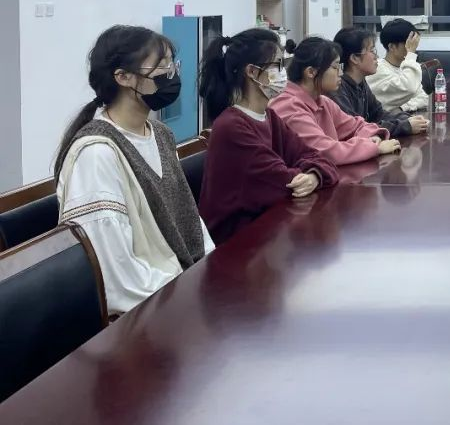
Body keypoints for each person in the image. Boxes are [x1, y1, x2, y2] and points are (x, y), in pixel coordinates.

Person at [54, 25, 214, 317]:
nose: (171, 74)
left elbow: (188, 218)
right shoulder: (97, 155)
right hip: (147, 311)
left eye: (172, 64)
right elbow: (117, 273)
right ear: (123, 77)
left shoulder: (160, 134)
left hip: (184, 286)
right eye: (161, 65)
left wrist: (212, 270)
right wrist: (188, 293)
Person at [197, 28, 341, 242]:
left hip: (268, 232)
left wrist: (314, 175)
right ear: (252, 72)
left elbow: (319, 158)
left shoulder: (269, 116)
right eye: (278, 65)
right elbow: (283, 182)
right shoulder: (232, 127)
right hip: (235, 244)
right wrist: (310, 173)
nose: (284, 73)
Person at [270, 36, 401, 165]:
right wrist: (374, 147)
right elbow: (325, 151)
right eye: (335, 67)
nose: (341, 73)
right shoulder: (288, 106)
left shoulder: (322, 101)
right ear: (311, 72)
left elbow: (357, 125)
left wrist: (374, 137)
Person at [331, 27, 430, 138]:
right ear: (354, 58)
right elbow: (356, 130)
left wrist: (407, 119)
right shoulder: (338, 89)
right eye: (372, 51)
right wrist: (405, 126)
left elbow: (378, 113)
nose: (376, 56)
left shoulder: (360, 83)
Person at [367, 18, 430, 113]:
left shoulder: (407, 67)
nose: (412, 48)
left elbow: (423, 98)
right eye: (408, 44)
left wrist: (402, 107)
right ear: (392, 47)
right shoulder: (377, 70)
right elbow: (409, 88)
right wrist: (410, 54)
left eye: (413, 44)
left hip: (402, 118)